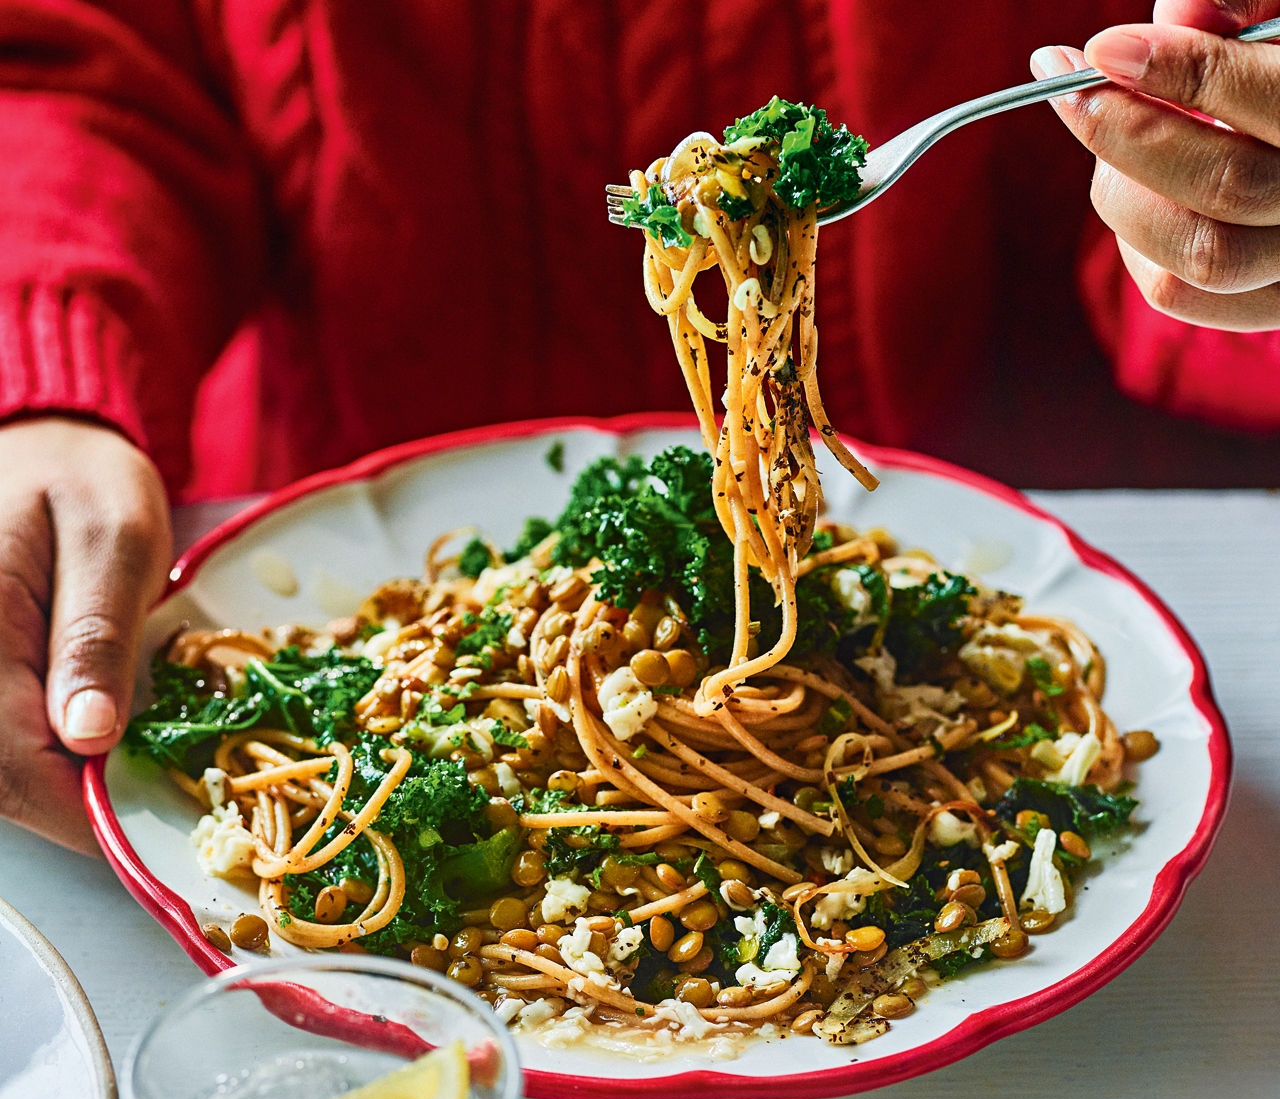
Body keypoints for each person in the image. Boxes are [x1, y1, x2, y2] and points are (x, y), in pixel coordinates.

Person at [1, 0, 1277, 855]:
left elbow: (1185, 151)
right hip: (318, 516)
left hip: (1115, 522)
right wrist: (43, 376)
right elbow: (78, 64)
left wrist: (1228, 210)